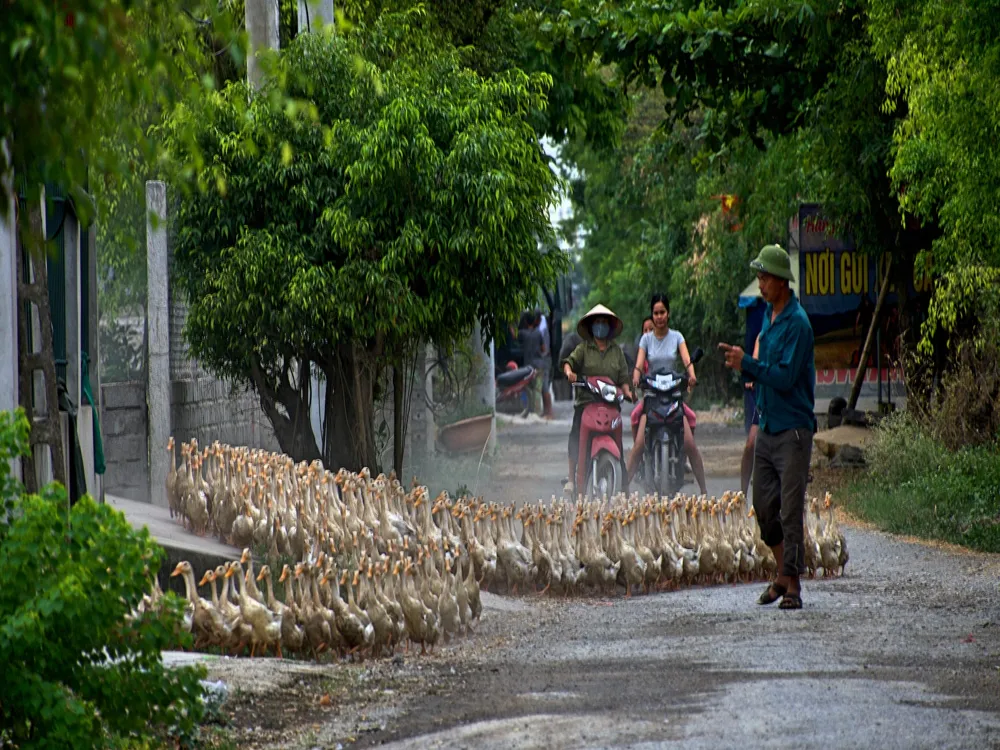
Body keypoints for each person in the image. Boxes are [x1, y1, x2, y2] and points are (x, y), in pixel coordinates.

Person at [719, 244, 816, 611]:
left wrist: (749, 365)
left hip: (793, 430)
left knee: (791, 510)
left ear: (780, 281)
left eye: (763, 278)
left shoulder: (798, 324)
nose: (760, 284)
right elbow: (761, 369)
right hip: (769, 426)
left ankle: (793, 586)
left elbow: (786, 377)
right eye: (759, 278)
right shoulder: (768, 317)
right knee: (763, 506)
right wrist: (743, 366)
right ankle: (781, 572)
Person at [625, 294, 707, 494]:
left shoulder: (677, 337)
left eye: (662, 312)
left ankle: (704, 491)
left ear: (668, 314)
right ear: (652, 316)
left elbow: (687, 359)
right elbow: (638, 364)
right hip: (652, 396)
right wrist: (636, 377)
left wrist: (692, 376)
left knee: (690, 443)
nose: (659, 316)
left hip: (673, 396)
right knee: (638, 446)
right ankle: (622, 489)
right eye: (655, 313)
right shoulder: (646, 339)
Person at [561, 304, 635, 494]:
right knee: (576, 434)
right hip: (587, 401)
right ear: (592, 326)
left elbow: (624, 378)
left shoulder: (617, 352)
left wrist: (627, 391)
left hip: (610, 404)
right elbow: (569, 362)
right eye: (597, 322)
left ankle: (623, 484)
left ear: (609, 326)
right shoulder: (583, 349)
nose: (601, 325)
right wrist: (569, 372)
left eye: (604, 322)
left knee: (618, 442)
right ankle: (571, 479)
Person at [741, 335, 761, 497]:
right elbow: (755, 361)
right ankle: (743, 493)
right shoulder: (762, 336)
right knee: (750, 444)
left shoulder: (795, 329)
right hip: (765, 400)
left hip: (787, 401)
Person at [517, 311, 545, 417]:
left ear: (525, 321)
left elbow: (514, 337)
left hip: (528, 367)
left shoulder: (522, 333)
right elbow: (543, 349)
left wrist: (510, 324)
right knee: (537, 390)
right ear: (534, 321)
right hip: (539, 366)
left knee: (528, 389)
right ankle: (537, 413)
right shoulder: (538, 333)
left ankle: (529, 411)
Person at [536, 308, 555, 419]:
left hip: (545, 360)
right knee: (544, 387)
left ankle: (549, 412)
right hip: (545, 359)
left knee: (545, 387)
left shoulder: (542, 330)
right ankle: (546, 411)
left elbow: (545, 349)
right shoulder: (543, 327)